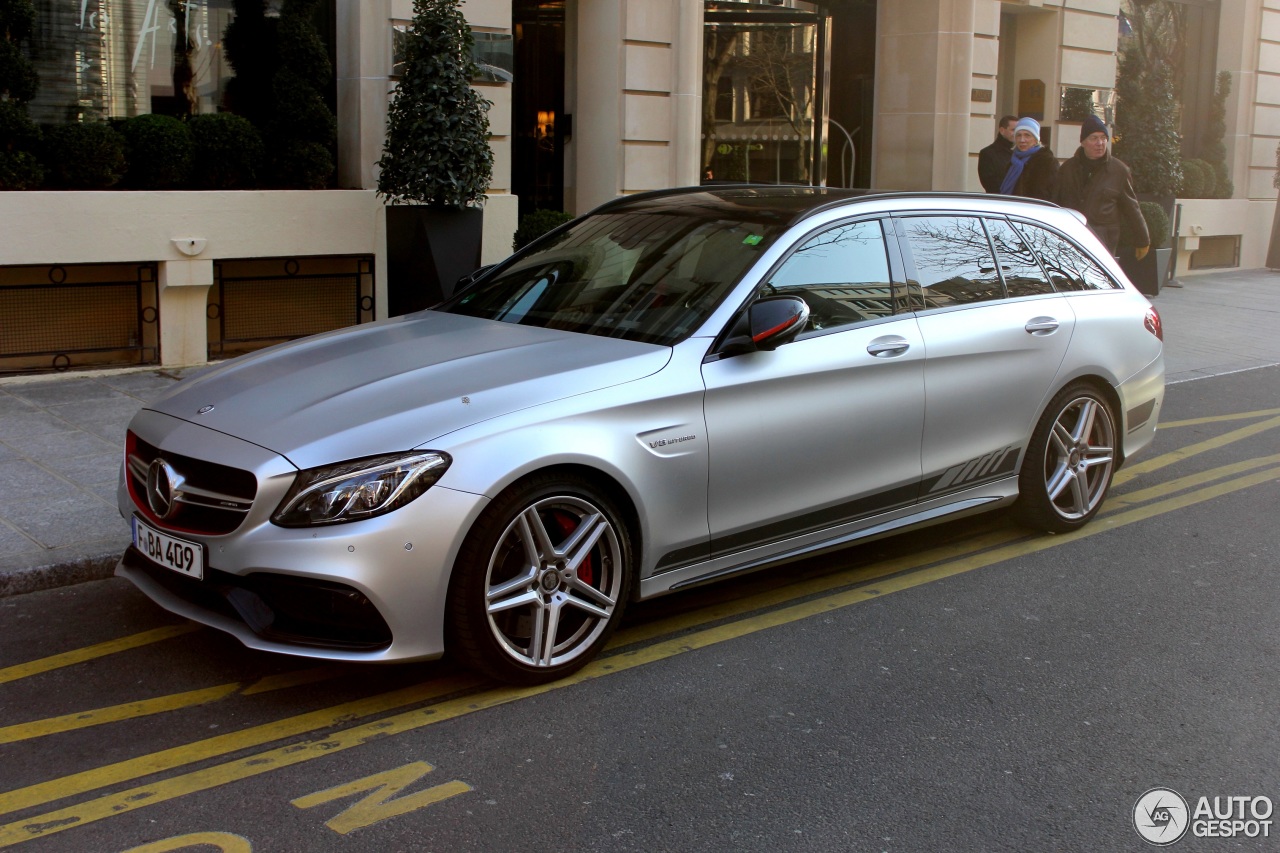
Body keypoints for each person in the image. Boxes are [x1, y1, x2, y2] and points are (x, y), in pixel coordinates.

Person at [1053, 114, 1150, 260]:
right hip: (1071, 239)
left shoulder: (1119, 171)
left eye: (1103, 138)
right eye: (1094, 138)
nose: (1100, 143)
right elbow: (1055, 203)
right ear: (1083, 142)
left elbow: (1131, 208)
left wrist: (1142, 239)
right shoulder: (1067, 169)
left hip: (1103, 243)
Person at [999, 117, 1057, 201]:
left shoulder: (1047, 162)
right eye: (1019, 135)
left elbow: (1050, 195)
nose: (1022, 140)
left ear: (1036, 139)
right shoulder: (1011, 162)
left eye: (1027, 135)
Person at [978, 115, 1016, 193]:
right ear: (1002, 130)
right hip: (999, 201)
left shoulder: (1021, 153)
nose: (1017, 133)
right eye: (1013, 130)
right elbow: (990, 184)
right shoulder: (988, 154)